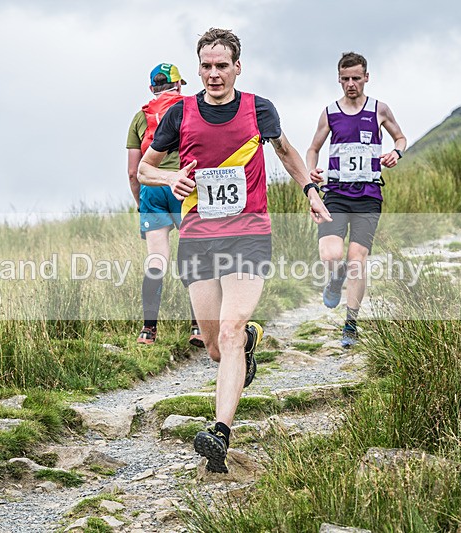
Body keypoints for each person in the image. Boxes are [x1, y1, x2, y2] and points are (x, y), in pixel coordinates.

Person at [138, 28, 329, 473]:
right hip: (199, 237)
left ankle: (219, 432)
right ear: (198, 68)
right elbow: (146, 168)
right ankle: (248, 343)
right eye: (206, 66)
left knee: (229, 329)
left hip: (248, 233)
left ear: (237, 67)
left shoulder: (258, 109)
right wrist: (170, 179)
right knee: (214, 346)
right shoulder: (180, 113)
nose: (214, 74)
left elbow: (285, 152)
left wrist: (311, 191)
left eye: (222, 66)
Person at [306, 52, 407, 348]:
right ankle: (334, 280)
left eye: (356, 78)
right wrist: (312, 169)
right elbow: (313, 147)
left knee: (356, 260)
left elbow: (400, 138)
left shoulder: (379, 109)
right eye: (345, 78)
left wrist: (395, 153)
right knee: (331, 255)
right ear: (339, 79)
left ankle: (351, 323)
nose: (351, 84)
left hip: (368, 195)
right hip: (335, 193)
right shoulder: (330, 112)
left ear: (366, 77)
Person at [126, 63, 203, 347]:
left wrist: (141, 203)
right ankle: (197, 326)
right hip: (184, 186)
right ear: (179, 85)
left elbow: (134, 172)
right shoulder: (191, 107)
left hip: (152, 188)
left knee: (156, 259)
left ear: (151, 89)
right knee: (194, 255)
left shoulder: (139, 117)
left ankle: (148, 331)